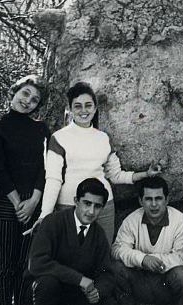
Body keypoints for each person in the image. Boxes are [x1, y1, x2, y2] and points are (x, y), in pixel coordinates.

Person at [37, 81, 161, 241]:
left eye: (88, 105)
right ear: (70, 109)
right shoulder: (59, 138)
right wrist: (45, 215)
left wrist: (146, 174)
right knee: (72, 256)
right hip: (70, 205)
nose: (83, 111)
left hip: (104, 205)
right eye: (78, 106)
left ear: (95, 108)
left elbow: (115, 175)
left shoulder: (103, 138)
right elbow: (53, 179)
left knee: (102, 254)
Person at [28, 178, 127, 305]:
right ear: (76, 201)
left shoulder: (98, 235)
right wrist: (79, 278)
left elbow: (107, 273)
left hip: (77, 295)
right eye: (87, 203)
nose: (91, 211)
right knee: (46, 283)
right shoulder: (53, 222)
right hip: (47, 292)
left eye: (97, 206)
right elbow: (37, 263)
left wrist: (98, 290)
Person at [0, 75, 49, 305]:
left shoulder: (40, 130)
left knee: (27, 264)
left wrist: (34, 201)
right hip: (5, 204)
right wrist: (17, 203)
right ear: (14, 92)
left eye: (34, 99)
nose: (28, 102)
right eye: (25, 94)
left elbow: (44, 169)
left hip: (33, 204)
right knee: (5, 264)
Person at [111, 176, 183, 305]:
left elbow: (181, 256)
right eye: (148, 199)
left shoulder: (180, 220)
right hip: (140, 281)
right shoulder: (131, 220)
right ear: (140, 201)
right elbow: (117, 249)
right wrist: (142, 260)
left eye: (158, 198)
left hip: (166, 283)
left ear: (167, 200)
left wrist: (154, 262)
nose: (154, 204)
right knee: (114, 267)